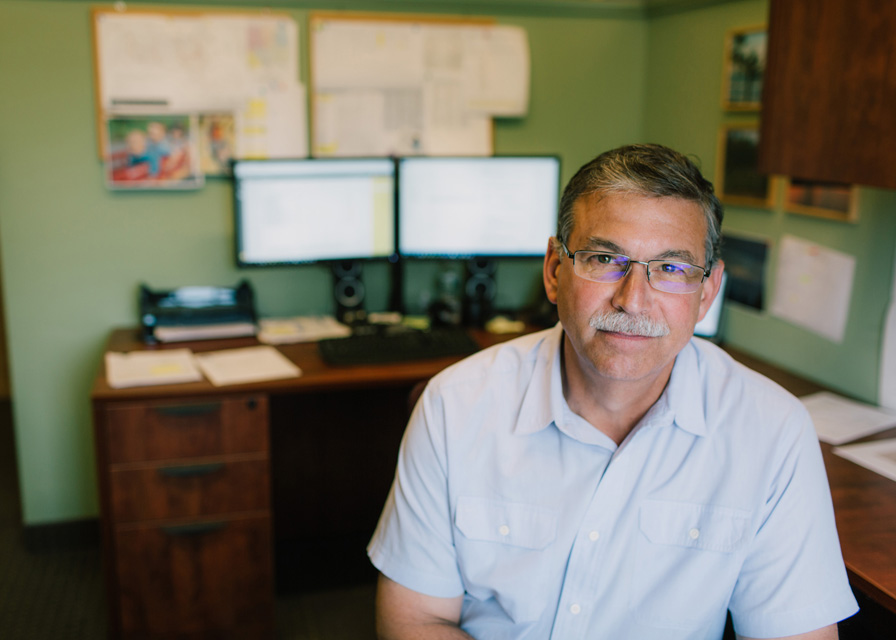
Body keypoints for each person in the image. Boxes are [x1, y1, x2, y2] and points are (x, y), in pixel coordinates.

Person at [367, 143, 859, 640]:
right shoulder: (454, 404)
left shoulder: (772, 431)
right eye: (606, 259)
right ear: (555, 271)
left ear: (707, 293)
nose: (633, 300)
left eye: (671, 269)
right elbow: (414, 621)